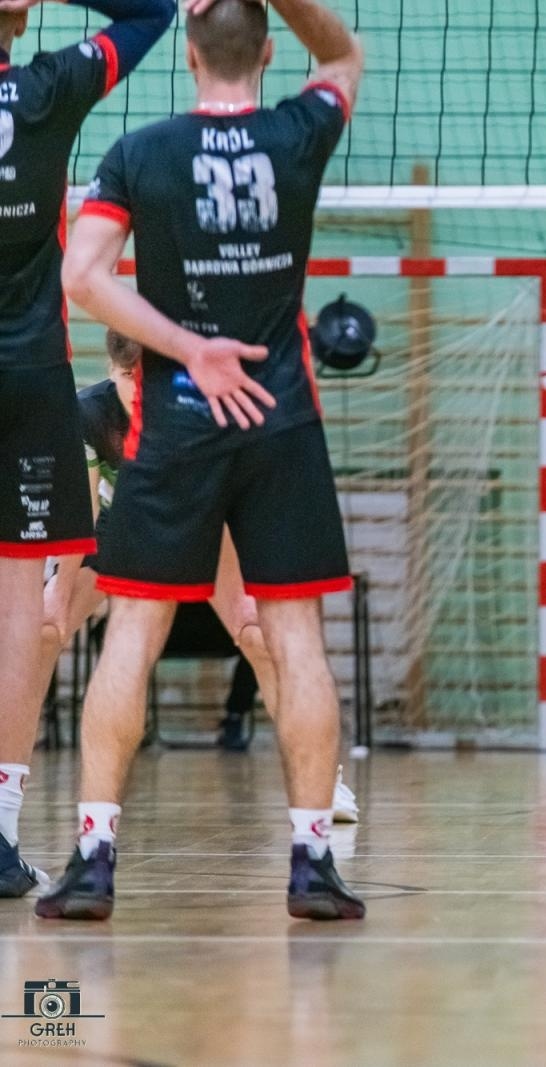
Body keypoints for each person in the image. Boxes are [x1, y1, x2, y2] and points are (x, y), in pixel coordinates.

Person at [36, 0, 366, 921]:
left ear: (187, 55)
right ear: (265, 49)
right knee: (294, 639)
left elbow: (83, 278)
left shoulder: (141, 152)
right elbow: (342, 54)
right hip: (280, 415)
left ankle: (95, 856)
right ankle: (312, 861)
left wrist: (188, 347)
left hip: (178, 420)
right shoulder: (301, 129)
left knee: (130, 636)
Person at [0, 0, 176, 897]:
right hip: (30, 381)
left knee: (41, 614)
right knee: (27, 614)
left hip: (39, 396)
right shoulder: (52, 86)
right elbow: (153, 10)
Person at [36, 330, 360, 814]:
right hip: (113, 531)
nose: (137, 390)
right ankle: (7, 790)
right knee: (43, 630)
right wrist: (59, 596)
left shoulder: (193, 408)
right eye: (126, 377)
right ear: (110, 369)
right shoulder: (86, 416)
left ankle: (322, 783)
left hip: (202, 527)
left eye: (146, 379)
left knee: (255, 633)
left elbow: (230, 500)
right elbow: (78, 522)